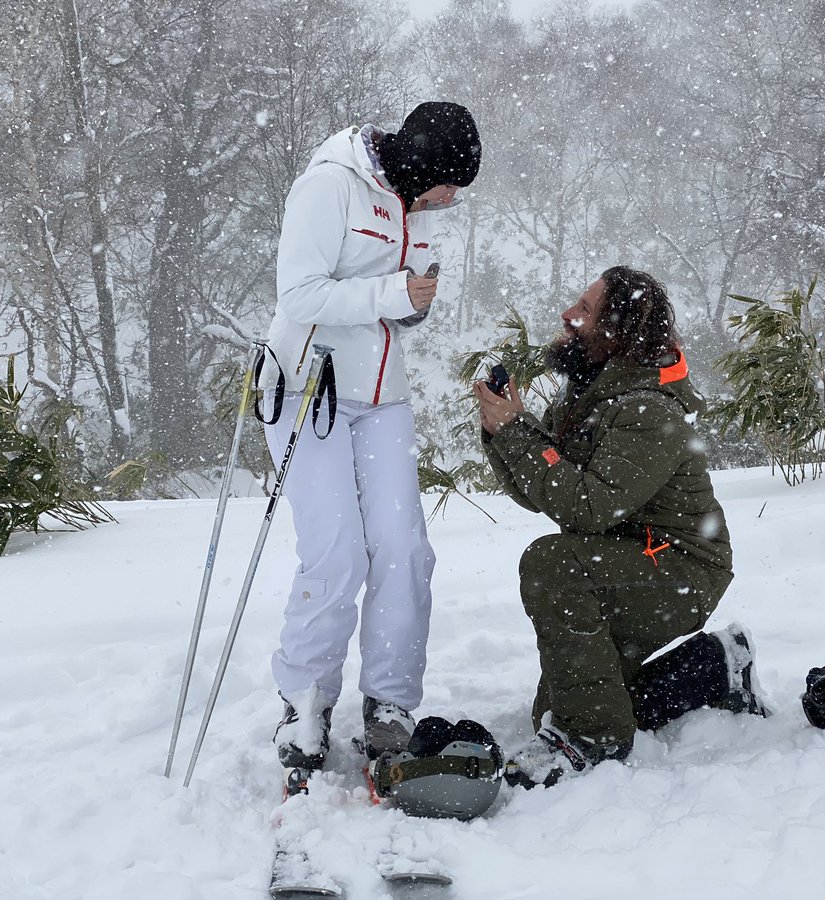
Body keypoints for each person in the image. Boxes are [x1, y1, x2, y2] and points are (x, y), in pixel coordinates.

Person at [474, 267, 767, 789]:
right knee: (567, 696)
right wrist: (504, 432)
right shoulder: (595, 391)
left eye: (584, 310)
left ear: (617, 331)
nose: (568, 315)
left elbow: (585, 507)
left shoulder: (647, 409)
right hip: (625, 560)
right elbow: (545, 490)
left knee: (552, 562)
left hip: (681, 569)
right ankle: (716, 665)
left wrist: (520, 435)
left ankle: (591, 739)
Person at [260, 102, 481, 790]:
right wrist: (393, 293)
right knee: (337, 551)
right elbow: (300, 295)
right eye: (450, 183)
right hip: (308, 386)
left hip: (382, 395)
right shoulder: (329, 184)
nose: (452, 198)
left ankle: (389, 702)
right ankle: (305, 701)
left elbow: (402, 312)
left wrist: (415, 302)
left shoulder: (412, 206)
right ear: (421, 165)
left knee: (404, 547)